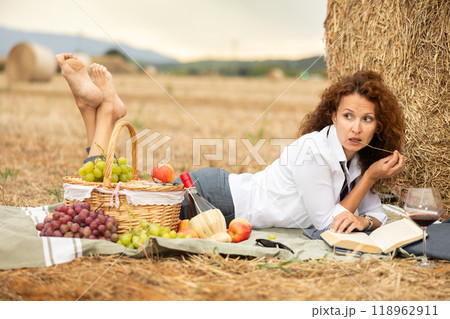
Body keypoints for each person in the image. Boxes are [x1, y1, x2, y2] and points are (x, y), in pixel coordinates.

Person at [58, 54, 405, 234]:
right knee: (111, 211)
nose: (356, 128)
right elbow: (326, 223)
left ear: (378, 125)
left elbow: (373, 214)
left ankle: (95, 110)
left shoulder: (360, 160)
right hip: (217, 201)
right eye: (348, 116)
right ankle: (103, 114)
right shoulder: (313, 152)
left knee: (113, 202)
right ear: (333, 116)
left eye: (367, 119)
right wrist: (370, 180)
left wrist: (366, 222)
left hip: (224, 198)